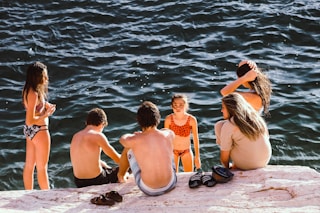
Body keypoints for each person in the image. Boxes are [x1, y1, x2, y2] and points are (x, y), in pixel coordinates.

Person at [117, 101, 177, 196]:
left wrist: (134, 135)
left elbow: (122, 139)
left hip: (149, 189)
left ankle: (121, 176)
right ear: (157, 118)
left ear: (139, 120)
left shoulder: (135, 139)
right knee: (167, 146)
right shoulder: (168, 134)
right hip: (170, 183)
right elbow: (167, 132)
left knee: (129, 149)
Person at [214, 93, 272, 170]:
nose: (221, 110)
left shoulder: (229, 125)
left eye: (223, 107)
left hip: (247, 164)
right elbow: (266, 138)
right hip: (264, 160)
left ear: (230, 109)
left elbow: (224, 158)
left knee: (218, 126)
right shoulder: (256, 117)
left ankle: (236, 165)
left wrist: (227, 168)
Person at [22, 61, 56, 190]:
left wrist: (45, 105)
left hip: (30, 132)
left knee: (30, 165)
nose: (46, 78)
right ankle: (47, 195)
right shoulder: (34, 94)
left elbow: (34, 108)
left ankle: (27, 193)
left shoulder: (28, 90)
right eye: (44, 76)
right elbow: (30, 120)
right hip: (39, 130)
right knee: (42, 168)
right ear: (37, 77)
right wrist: (46, 114)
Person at [70, 108, 121, 188]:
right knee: (127, 166)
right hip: (96, 180)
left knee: (104, 164)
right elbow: (117, 158)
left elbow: (84, 158)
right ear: (102, 123)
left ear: (87, 122)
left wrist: (105, 165)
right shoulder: (98, 136)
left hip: (79, 181)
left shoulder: (76, 136)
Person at [164, 94, 201, 172]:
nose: (178, 107)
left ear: (186, 106)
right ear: (171, 106)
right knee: (173, 176)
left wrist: (197, 157)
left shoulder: (192, 120)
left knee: (189, 175)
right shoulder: (168, 119)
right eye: (175, 105)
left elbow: (195, 139)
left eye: (181, 105)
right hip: (173, 151)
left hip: (186, 150)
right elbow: (166, 139)